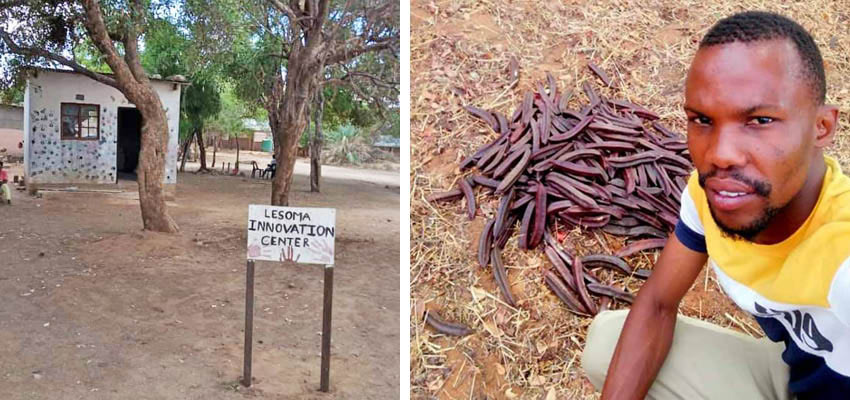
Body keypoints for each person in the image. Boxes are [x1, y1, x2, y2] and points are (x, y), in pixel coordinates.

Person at [581, 11, 849, 400]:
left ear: (821, 128)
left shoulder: (840, 252)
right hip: (795, 373)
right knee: (607, 344)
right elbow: (657, 304)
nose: (720, 155)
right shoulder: (715, 194)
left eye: (759, 120)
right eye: (702, 119)